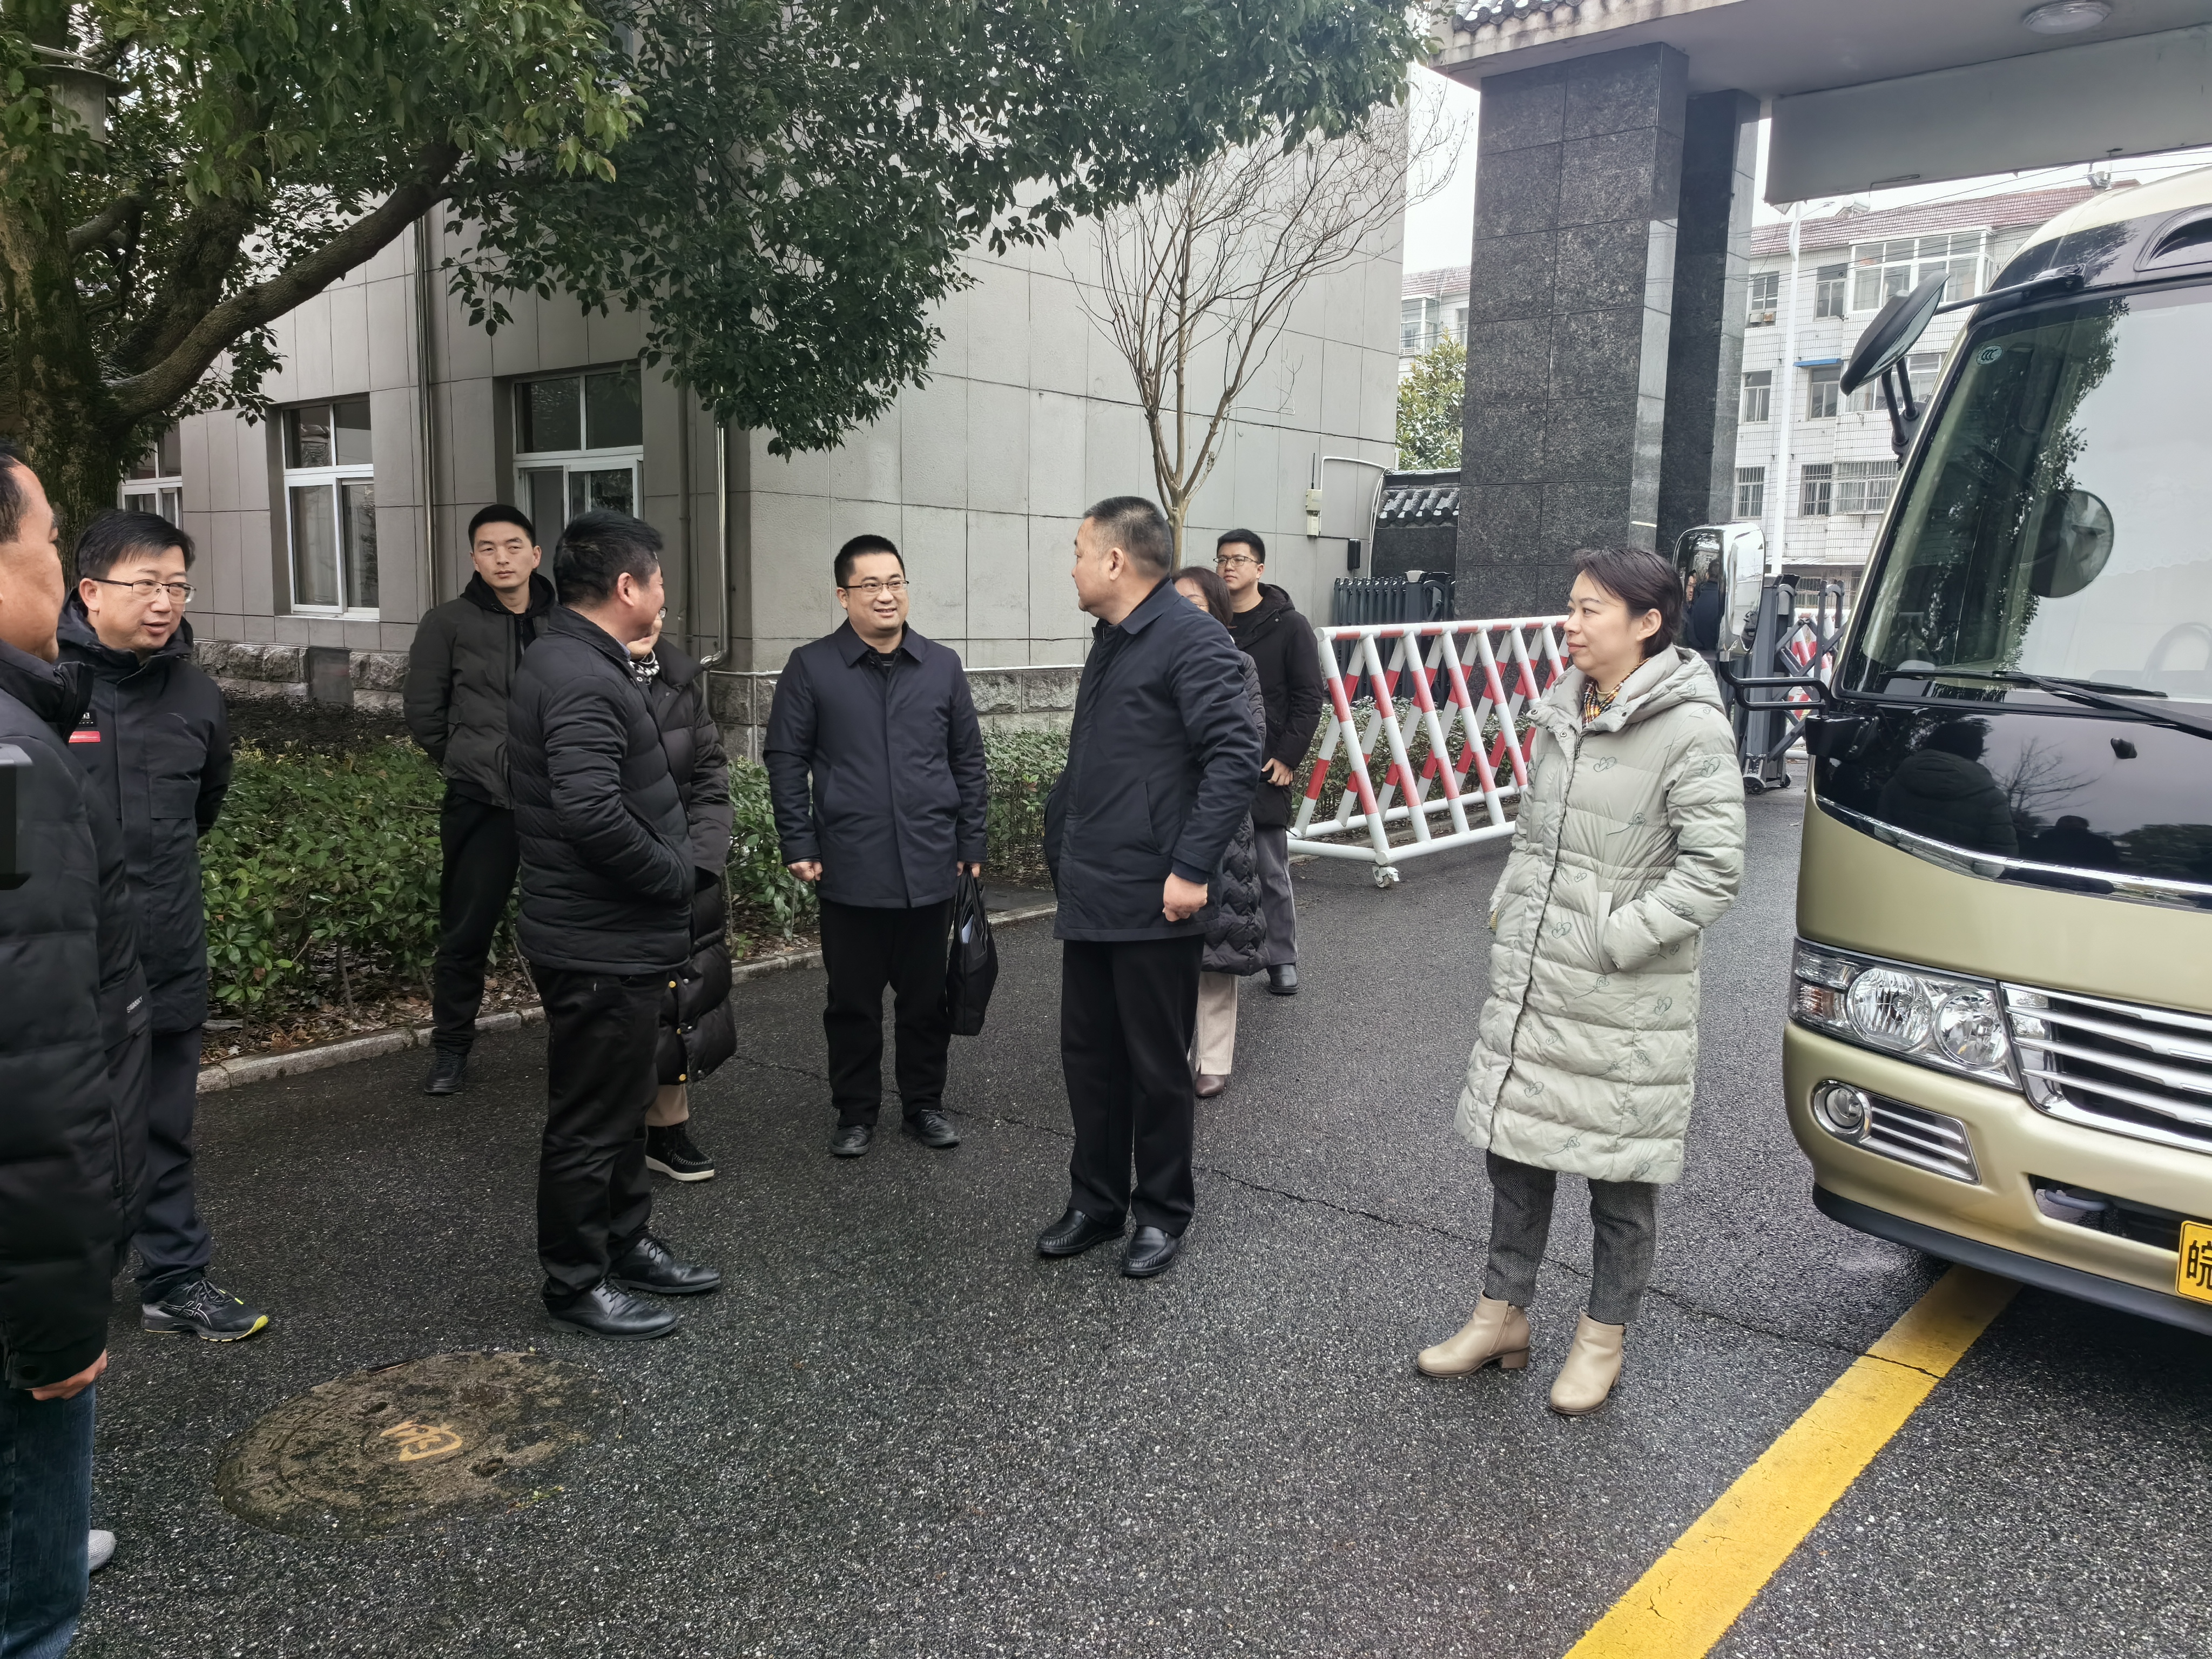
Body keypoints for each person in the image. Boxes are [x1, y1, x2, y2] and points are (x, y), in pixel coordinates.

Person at [1419, 547, 1745, 1415]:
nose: (1569, 625)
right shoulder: (1563, 708)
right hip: (1538, 975)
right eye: (1571, 607)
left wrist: (1614, 937)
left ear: (1648, 623)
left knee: (1619, 1179)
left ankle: (1603, 1338)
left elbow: (1715, 871)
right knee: (1515, 1157)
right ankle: (1501, 1318)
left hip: (1623, 994)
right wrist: (1511, 906)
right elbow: (1534, 837)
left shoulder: (1690, 728)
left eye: (1589, 610)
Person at [1036, 498, 1262, 1279]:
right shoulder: (1113, 639)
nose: (1071, 567)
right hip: (1094, 887)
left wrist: (1192, 869)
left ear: (1114, 560)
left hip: (1158, 893)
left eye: (1078, 551)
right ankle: (1096, 1203)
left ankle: (1162, 1213)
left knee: (1156, 1065)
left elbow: (1235, 757)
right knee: (1089, 1058)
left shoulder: (1190, 638)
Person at [0, 450, 145, 1654]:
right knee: (29, 1604)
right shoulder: (13, 761)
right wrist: (60, 1319)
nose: (56, 560)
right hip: (16, 1259)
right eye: (47, 537)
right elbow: (31, 1055)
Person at [508, 510, 718, 1340]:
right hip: (598, 939)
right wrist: (674, 878)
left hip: (610, 932)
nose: (665, 592)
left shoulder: (580, 657)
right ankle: (575, 1280)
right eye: (658, 578)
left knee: (623, 1104)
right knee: (591, 1119)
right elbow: (591, 812)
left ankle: (625, 1243)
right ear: (627, 586)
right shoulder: (581, 675)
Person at [59, 510, 267, 1343]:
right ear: (90, 590)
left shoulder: (196, 695)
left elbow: (203, 807)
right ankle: (60, 1283)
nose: (164, 602)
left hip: (166, 946)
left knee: (164, 1126)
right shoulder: (41, 688)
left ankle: (174, 1280)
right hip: (65, 962)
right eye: (145, 583)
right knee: (60, 1130)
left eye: (177, 585)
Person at [765, 534, 988, 1158]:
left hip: (929, 864)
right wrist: (798, 839)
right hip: (850, 865)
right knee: (852, 1004)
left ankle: (924, 1105)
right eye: (870, 585)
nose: (886, 595)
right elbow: (785, 759)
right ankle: (855, 1112)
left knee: (926, 1001)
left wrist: (971, 840)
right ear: (844, 595)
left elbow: (968, 761)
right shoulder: (812, 666)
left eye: (895, 582)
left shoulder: (941, 665)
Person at [403, 505, 557, 1096]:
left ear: (535, 555)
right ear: (474, 558)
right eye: (488, 548)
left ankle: (576, 1040)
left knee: (565, 925)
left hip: (558, 801)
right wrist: (467, 760)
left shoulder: (567, 619)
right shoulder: (448, 622)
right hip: (481, 801)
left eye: (513, 546)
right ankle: (451, 1049)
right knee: (466, 929)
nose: (502, 558)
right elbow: (424, 710)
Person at [626, 611, 735, 1182]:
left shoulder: (679, 681)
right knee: (621, 1010)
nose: (648, 618)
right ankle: (614, 1138)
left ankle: (668, 1131)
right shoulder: (578, 675)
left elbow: (711, 776)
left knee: (681, 999)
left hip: (686, 869)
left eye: (659, 606)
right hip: (617, 874)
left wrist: (700, 860)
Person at [1170, 567, 1267, 1101]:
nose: (1180, 612)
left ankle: (1213, 1058)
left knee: (1218, 944)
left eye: (1193, 603)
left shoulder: (1238, 664)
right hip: (1165, 822)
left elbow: (1250, 740)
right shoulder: (1158, 661)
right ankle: (1169, 1050)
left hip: (1221, 824)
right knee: (1168, 946)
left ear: (1218, 613)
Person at [1215, 530, 1321, 996]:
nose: (1228, 567)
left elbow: (1309, 698)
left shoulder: (1289, 625)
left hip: (1264, 764)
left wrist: (1287, 756)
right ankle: (1211, 958)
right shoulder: (1208, 621)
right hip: (1211, 762)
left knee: (1270, 868)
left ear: (1259, 569)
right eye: (1222, 559)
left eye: (1239, 559)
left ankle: (1282, 958)